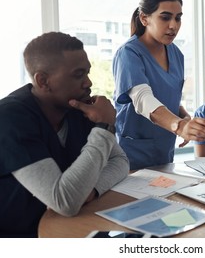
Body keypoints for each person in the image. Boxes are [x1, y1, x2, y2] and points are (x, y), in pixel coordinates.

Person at [0, 32, 129, 238]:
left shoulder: (80, 108)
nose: (88, 82)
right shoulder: (10, 118)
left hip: (77, 226)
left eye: (87, 73)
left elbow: (120, 160)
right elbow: (65, 202)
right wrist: (104, 127)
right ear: (43, 81)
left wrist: (92, 189)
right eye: (78, 75)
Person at [112, 0, 205, 169]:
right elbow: (143, 99)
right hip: (131, 157)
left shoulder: (177, 54)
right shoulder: (129, 53)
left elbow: (168, 97)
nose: (173, 25)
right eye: (165, 17)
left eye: (178, 18)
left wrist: (186, 120)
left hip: (164, 153)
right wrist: (179, 126)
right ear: (144, 18)